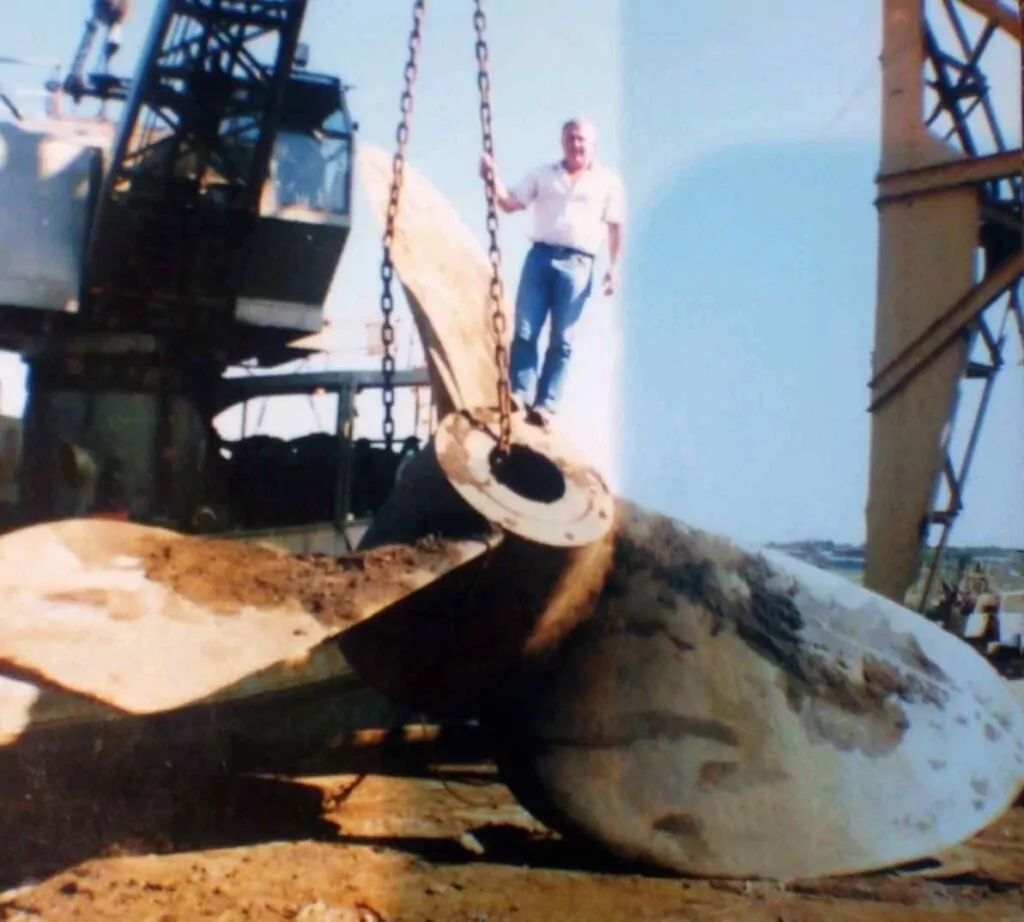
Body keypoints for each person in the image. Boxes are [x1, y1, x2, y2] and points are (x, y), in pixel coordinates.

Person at [480, 117, 624, 429]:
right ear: (562, 142)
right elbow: (509, 203)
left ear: (593, 145)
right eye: (571, 138)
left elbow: (615, 227)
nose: (576, 144)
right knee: (525, 330)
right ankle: (520, 393)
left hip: (579, 263)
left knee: (562, 338)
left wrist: (614, 267)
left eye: (582, 139)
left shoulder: (607, 182)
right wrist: (491, 178)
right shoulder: (543, 175)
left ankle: (546, 405)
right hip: (540, 258)